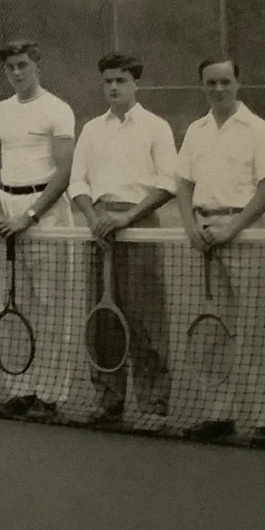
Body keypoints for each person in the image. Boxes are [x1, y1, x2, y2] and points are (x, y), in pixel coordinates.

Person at [176, 57, 265, 446]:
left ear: (238, 83)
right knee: (212, 331)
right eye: (211, 82)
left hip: (246, 237)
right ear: (202, 85)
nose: (218, 88)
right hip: (204, 239)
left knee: (253, 331)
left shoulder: (258, 130)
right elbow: (183, 183)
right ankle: (218, 414)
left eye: (225, 81)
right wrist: (191, 226)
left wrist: (233, 228)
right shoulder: (195, 130)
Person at [69, 52, 178, 424]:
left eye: (121, 80)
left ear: (136, 84)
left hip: (140, 226)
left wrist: (128, 218)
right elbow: (77, 182)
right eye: (108, 81)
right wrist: (94, 218)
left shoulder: (156, 127)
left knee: (146, 320)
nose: (113, 87)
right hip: (99, 230)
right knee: (102, 320)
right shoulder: (91, 129)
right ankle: (108, 401)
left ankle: (153, 405)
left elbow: (168, 182)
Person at [0, 38, 76, 420]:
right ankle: (20, 390)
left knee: (51, 306)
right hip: (8, 211)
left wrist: (30, 216)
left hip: (45, 215)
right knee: (15, 302)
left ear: (37, 66)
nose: (17, 72)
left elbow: (64, 172)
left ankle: (50, 395)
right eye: (10, 67)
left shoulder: (58, 109)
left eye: (23, 65)